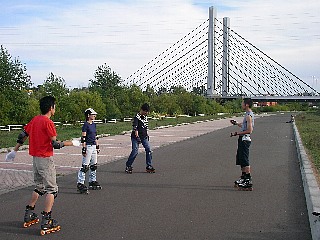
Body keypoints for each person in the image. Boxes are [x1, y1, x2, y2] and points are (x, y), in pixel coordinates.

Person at [5, 96, 77, 235]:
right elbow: (55, 144)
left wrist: (14, 150)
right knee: (52, 189)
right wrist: (72, 143)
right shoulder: (48, 122)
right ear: (51, 108)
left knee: (39, 186)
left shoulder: (35, 119)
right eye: (54, 106)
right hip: (45, 159)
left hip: (35, 159)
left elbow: (23, 135)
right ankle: (46, 221)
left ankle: (29, 214)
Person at [230, 98, 254, 191]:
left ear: (247, 104)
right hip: (242, 139)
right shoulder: (247, 115)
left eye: (242, 103)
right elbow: (244, 126)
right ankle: (243, 178)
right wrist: (236, 123)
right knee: (240, 159)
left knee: (244, 160)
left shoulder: (249, 116)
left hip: (245, 139)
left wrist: (237, 134)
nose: (241, 105)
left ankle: (248, 180)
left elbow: (249, 130)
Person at [76, 108, 102, 194]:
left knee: (93, 165)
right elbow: (83, 138)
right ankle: (80, 183)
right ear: (88, 115)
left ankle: (92, 181)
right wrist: (84, 148)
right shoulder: (85, 125)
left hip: (94, 146)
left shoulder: (94, 125)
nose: (94, 116)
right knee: (85, 166)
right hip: (88, 146)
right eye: (93, 114)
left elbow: (95, 136)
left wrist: (97, 146)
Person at [125, 103, 155, 174]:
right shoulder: (137, 117)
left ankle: (149, 166)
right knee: (135, 151)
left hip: (144, 137)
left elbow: (145, 127)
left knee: (149, 149)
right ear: (142, 110)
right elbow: (135, 128)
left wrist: (147, 135)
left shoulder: (145, 117)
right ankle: (128, 165)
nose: (147, 113)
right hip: (136, 137)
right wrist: (137, 137)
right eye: (146, 111)